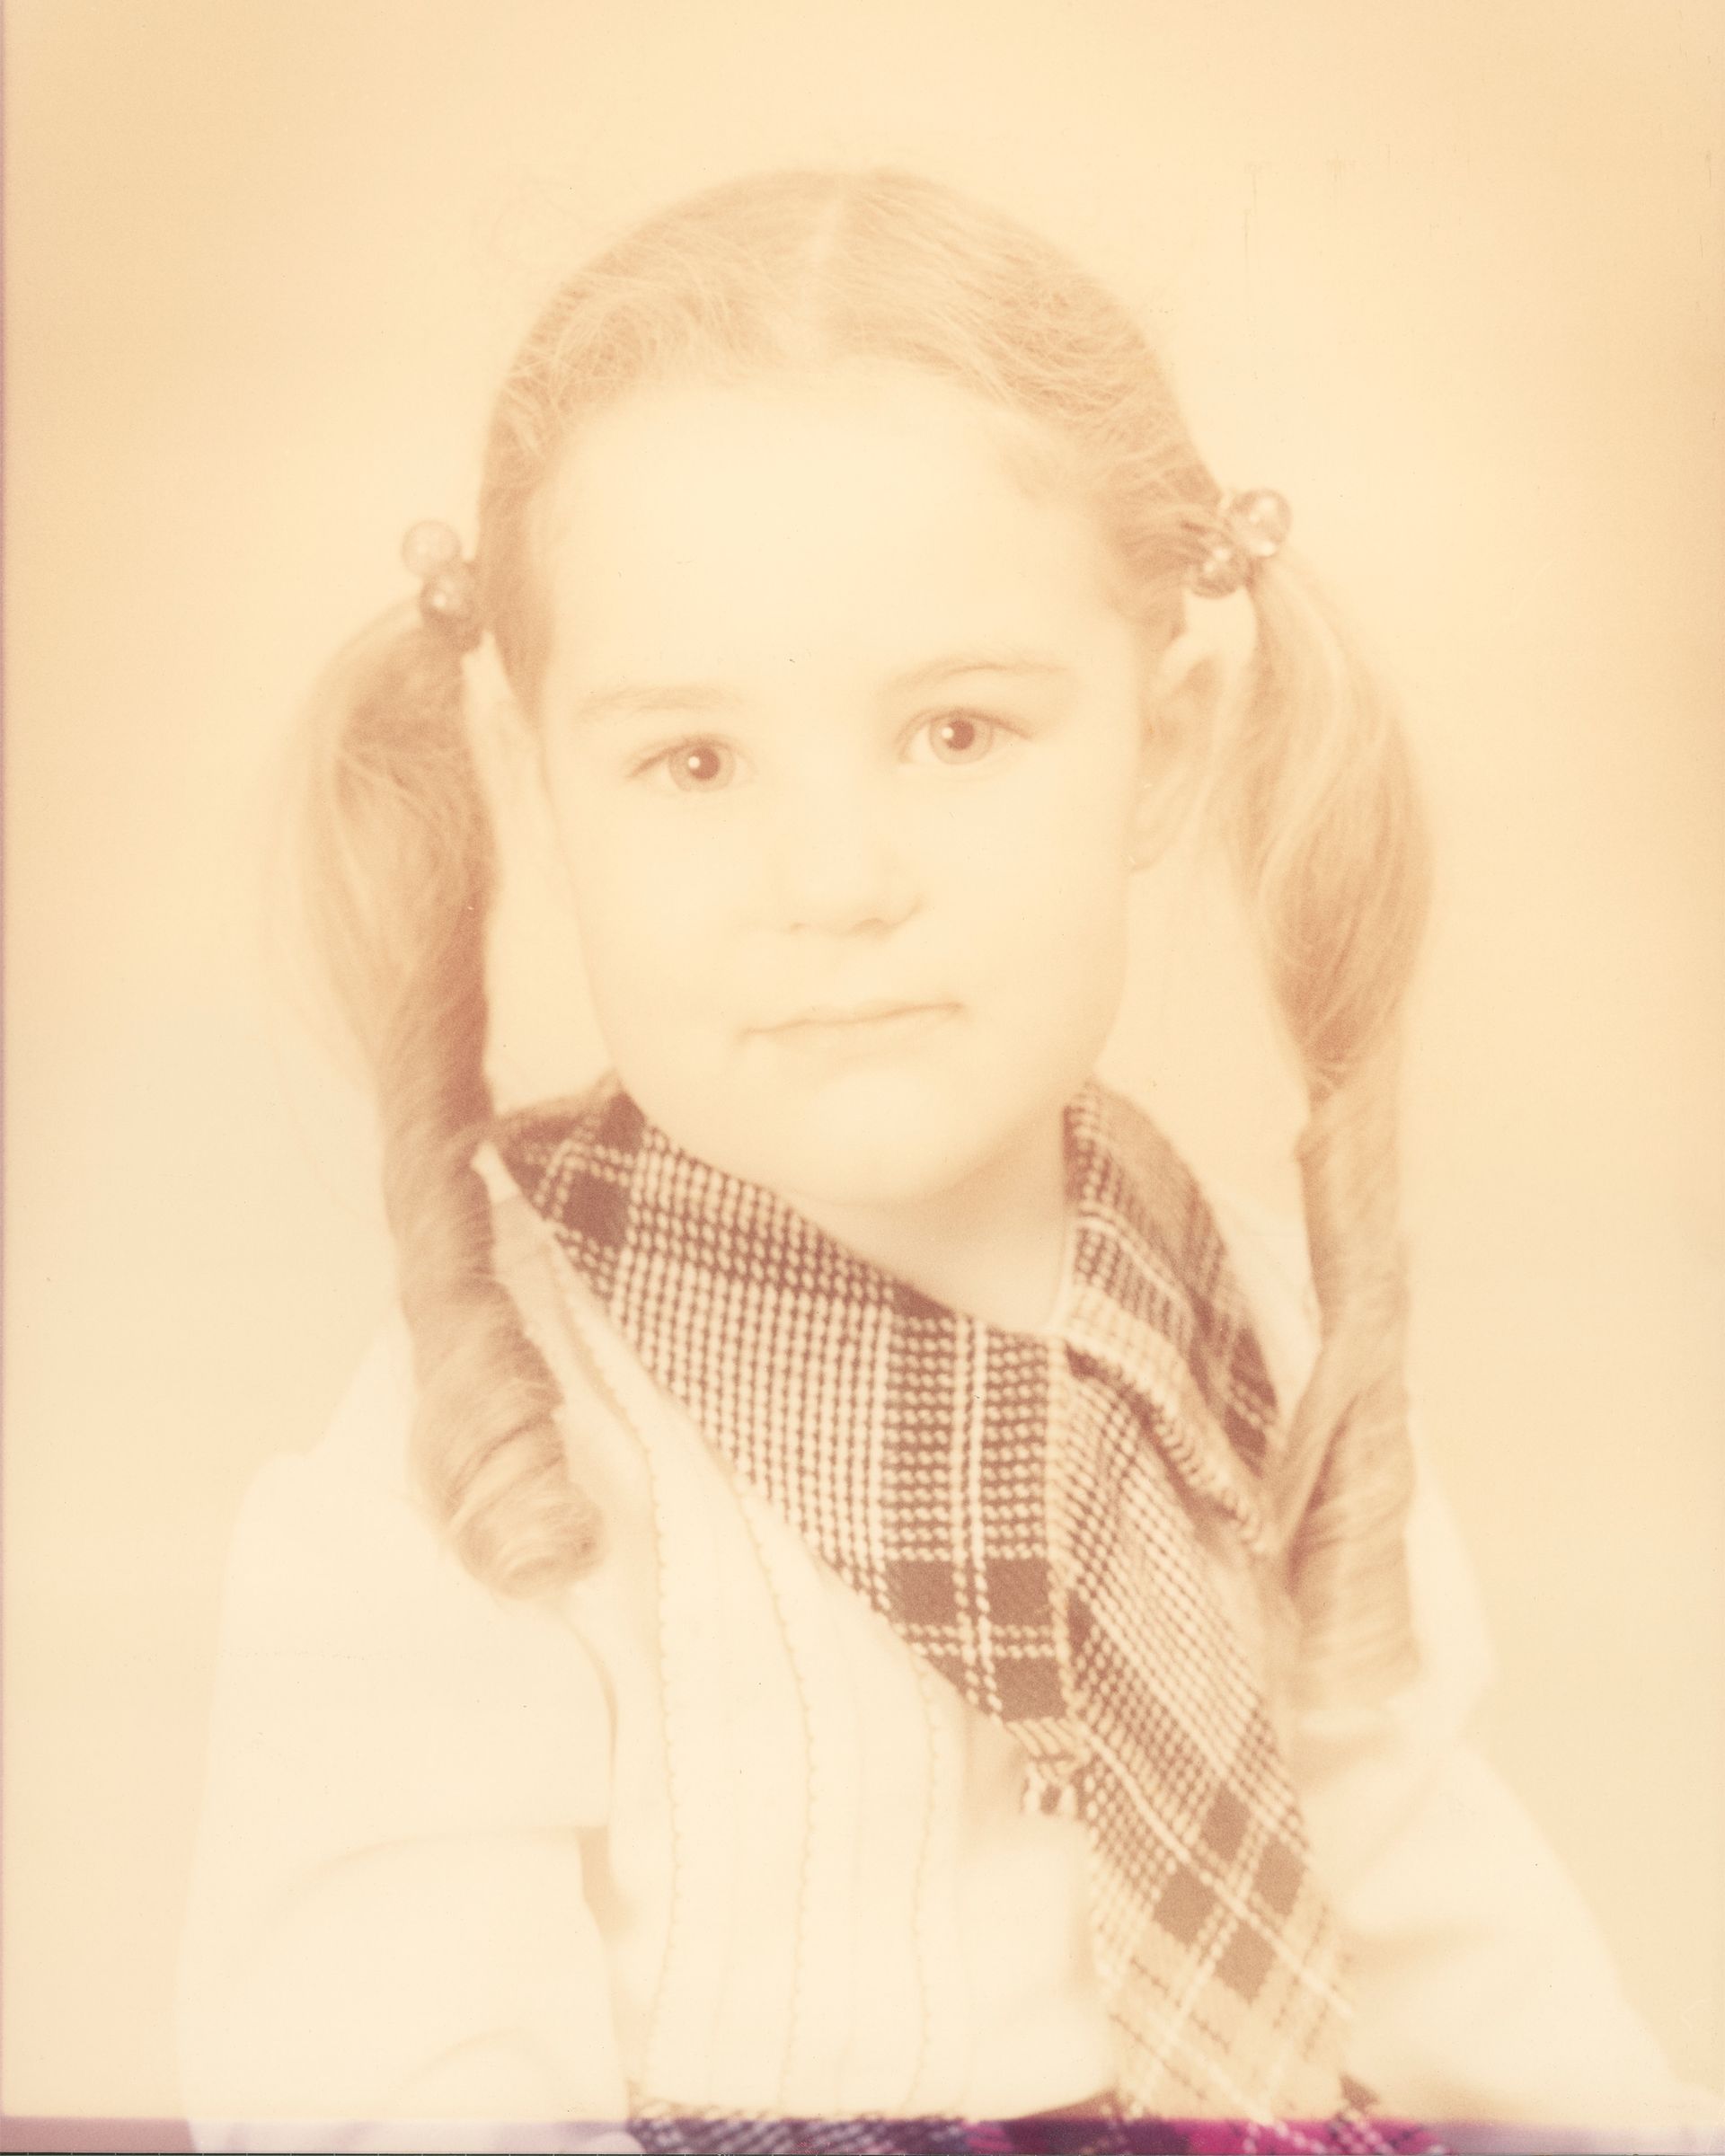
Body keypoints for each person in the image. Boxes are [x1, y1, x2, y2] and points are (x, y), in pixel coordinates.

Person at [176, 167, 1720, 2156]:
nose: (837, 884)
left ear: (1161, 750)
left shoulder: (1244, 1313)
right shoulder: (505, 1424)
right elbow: (383, 2052)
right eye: (695, 762)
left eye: (962, 734)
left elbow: (1414, 1883)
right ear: (537, 785)